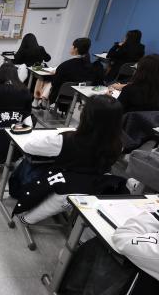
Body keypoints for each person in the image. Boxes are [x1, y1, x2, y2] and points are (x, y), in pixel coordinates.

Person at [11, 95, 124, 225]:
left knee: (23, 163)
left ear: (86, 116)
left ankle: (26, 215)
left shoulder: (66, 140)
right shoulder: (119, 144)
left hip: (63, 183)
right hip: (94, 183)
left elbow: (29, 147)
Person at [47, 37, 103, 107]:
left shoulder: (65, 65)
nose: (71, 48)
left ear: (75, 49)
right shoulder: (90, 67)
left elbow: (55, 83)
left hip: (61, 94)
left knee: (47, 81)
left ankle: (43, 102)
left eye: (72, 46)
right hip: (78, 96)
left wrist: (56, 73)